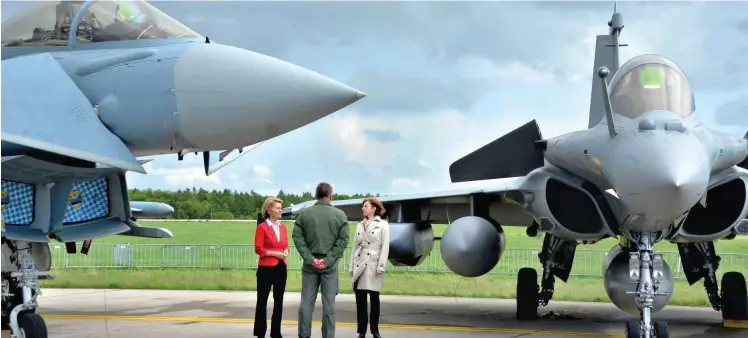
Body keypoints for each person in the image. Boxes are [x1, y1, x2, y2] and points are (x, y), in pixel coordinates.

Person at [292, 182, 349, 338]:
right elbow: (343, 240)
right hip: (329, 267)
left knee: (306, 304)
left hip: (310, 265)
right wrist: (328, 260)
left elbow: (297, 236)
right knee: (329, 306)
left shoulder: (304, 214)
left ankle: (304, 335)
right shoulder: (340, 215)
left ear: (316, 195)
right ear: (330, 196)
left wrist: (310, 258)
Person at [349, 198, 390, 338]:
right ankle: (361, 331)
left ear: (373, 208)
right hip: (360, 264)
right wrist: (351, 267)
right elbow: (354, 247)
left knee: (374, 299)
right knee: (360, 300)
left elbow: (385, 246)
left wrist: (381, 265)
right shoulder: (359, 225)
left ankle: (375, 331)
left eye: (365, 206)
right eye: (362, 206)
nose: (363, 208)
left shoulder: (383, 225)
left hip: (373, 265)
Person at [253, 197, 289, 338]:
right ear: (269, 210)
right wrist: (275, 254)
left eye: (281, 208)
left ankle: (276, 333)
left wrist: (285, 251)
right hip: (266, 268)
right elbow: (258, 249)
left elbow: (285, 245)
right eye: (277, 208)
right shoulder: (262, 227)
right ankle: (260, 332)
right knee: (262, 301)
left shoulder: (283, 227)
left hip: (281, 267)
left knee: (279, 301)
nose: (280, 210)